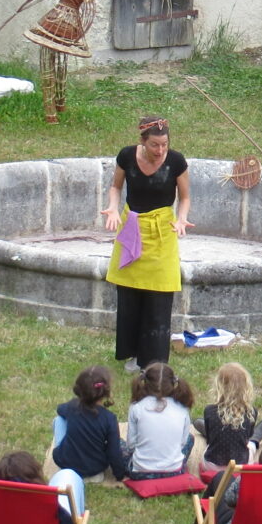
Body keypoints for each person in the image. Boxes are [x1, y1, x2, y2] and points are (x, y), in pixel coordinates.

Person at [102, 116, 192, 372]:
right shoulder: (127, 156)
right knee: (130, 295)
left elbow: (184, 198)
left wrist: (182, 219)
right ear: (142, 141)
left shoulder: (176, 161)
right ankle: (132, 354)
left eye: (164, 144)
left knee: (159, 296)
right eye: (154, 145)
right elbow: (115, 188)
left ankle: (153, 362)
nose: (160, 150)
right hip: (132, 228)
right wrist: (112, 208)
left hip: (162, 230)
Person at [51, 365, 131, 482]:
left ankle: (67, 470)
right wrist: (120, 475)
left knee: (59, 420)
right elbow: (114, 451)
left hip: (65, 462)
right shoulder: (109, 418)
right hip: (94, 468)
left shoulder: (72, 406)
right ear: (106, 392)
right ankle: (89, 476)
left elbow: (60, 409)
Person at [122, 362, 195, 479]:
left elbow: (131, 445)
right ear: (172, 384)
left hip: (140, 473)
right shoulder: (182, 408)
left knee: (118, 444)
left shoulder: (137, 407)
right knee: (190, 438)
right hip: (174, 471)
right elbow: (182, 443)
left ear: (145, 382)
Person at [194, 362, 258, 472]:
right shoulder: (251, 412)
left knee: (208, 444)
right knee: (251, 445)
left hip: (212, 466)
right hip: (240, 466)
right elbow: (247, 438)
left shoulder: (210, 411)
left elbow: (210, 440)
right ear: (246, 387)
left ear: (219, 387)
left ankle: (201, 425)